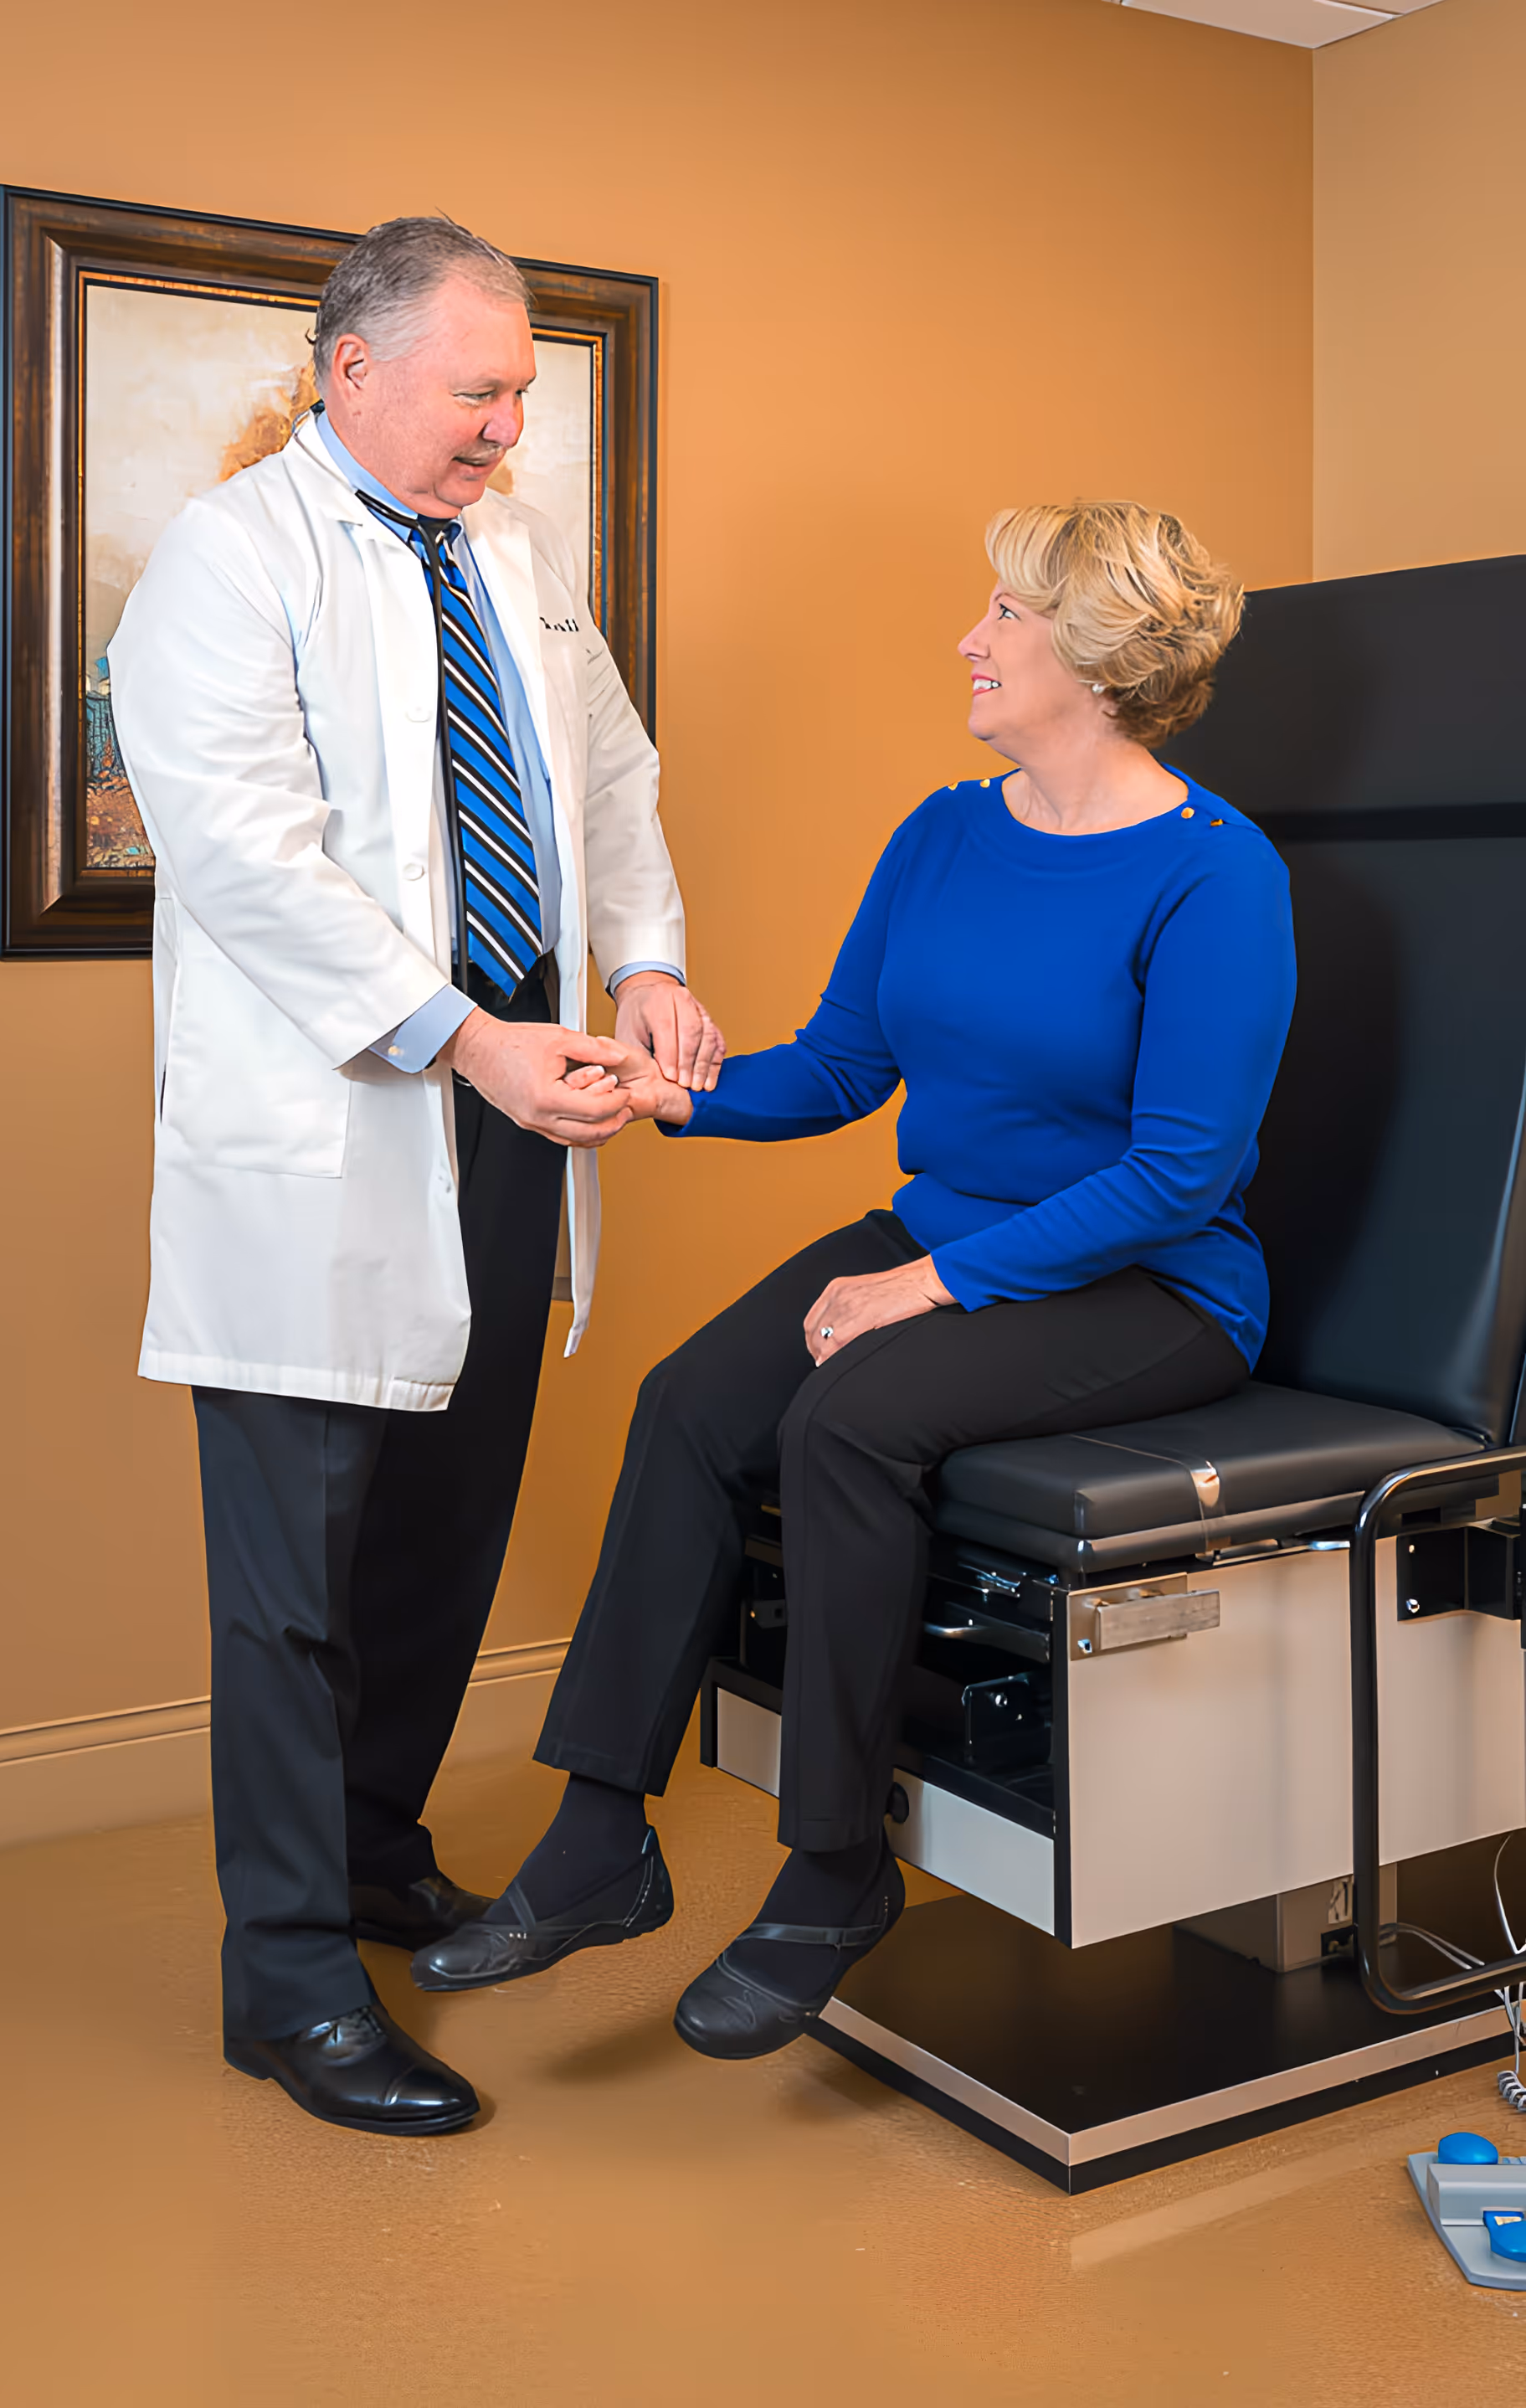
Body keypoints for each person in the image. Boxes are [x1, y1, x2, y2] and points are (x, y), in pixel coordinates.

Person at [412, 499, 1297, 2063]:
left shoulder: (1220, 877)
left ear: (1095, 661)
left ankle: (832, 1871)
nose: (972, 638)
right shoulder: (946, 833)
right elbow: (840, 1066)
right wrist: (665, 1088)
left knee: (846, 1424)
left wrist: (933, 1283)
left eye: (1007, 617)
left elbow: (1182, 1175)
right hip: (959, 1238)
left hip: (1152, 1284)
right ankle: (600, 1835)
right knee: (692, 1402)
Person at [108, 216, 722, 2136]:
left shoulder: (514, 561)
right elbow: (246, 855)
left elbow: (606, 779)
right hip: (336, 1128)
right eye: (480, 390)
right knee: (295, 1582)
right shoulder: (228, 561)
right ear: (348, 370)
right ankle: (287, 1982)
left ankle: (376, 1851)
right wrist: (468, 1034)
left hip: (522, 1113)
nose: (507, 428)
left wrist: (646, 959)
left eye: (524, 392)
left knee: (445, 1529)